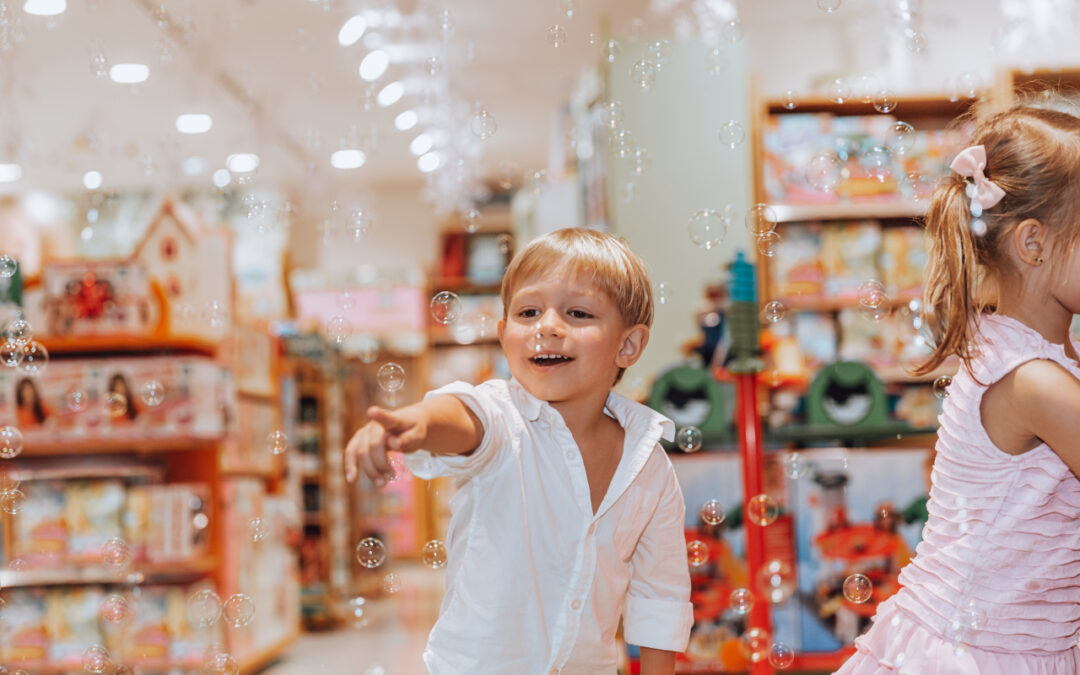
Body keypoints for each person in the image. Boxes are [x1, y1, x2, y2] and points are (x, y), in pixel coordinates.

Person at [345, 228, 692, 674]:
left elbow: (658, 596)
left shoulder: (648, 463)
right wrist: (416, 423)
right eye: (529, 311)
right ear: (505, 333)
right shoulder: (503, 418)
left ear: (627, 345)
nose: (547, 326)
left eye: (578, 313)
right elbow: (463, 416)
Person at [835, 106, 1080, 673]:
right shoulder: (1032, 381)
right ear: (1033, 243)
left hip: (1013, 641)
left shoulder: (1011, 344)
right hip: (979, 653)